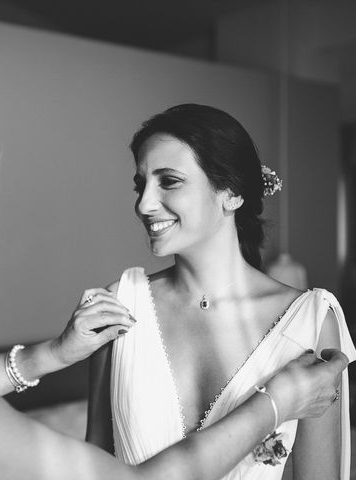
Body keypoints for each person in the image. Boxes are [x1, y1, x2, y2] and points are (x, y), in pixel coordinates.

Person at [0, 81, 348, 480]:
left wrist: (50, 354)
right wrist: (278, 403)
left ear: (233, 193)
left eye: (168, 180)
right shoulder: (127, 302)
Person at [86, 103, 356, 479]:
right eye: (140, 184)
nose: (143, 204)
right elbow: (91, 467)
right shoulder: (117, 306)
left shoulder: (309, 321)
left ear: (231, 193)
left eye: (169, 181)